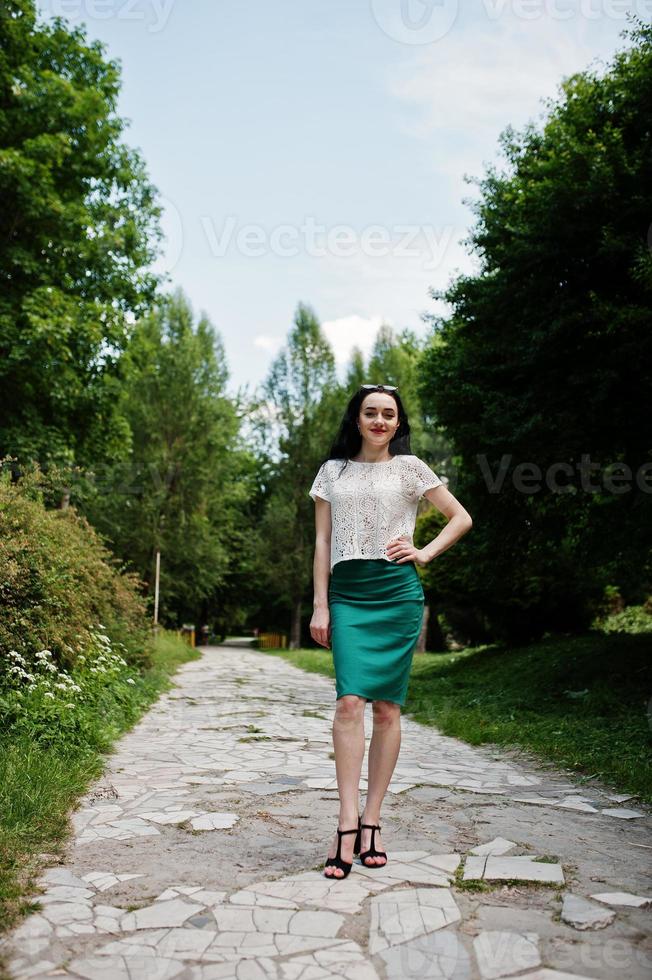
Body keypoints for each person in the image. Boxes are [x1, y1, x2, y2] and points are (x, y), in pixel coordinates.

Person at [308, 384, 473, 880]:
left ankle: (373, 820)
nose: (379, 421)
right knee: (348, 702)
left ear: (398, 424)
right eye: (370, 413)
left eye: (388, 415)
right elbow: (321, 540)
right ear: (356, 420)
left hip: (397, 593)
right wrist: (320, 604)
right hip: (349, 594)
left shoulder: (411, 467)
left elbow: (460, 517)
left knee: (387, 706)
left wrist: (423, 552)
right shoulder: (331, 472)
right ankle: (345, 822)